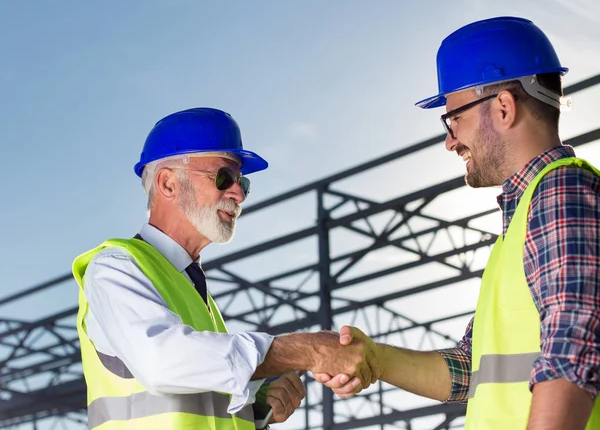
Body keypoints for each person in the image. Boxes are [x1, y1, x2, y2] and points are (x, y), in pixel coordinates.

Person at [314, 17, 600, 429]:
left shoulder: (561, 191)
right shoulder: (522, 220)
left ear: (503, 107)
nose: (449, 140)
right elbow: (470, 369)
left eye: (455, 119)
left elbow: (573, 349)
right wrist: (374, 359)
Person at [72, 107, 380, 430]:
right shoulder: (115, 269)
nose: (238, 194)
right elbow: (161, 361)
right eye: (224, 178)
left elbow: (195, 391)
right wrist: (305, 349)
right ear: (167, 184)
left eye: (242, 183)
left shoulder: (196, 297)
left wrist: (255, 407)